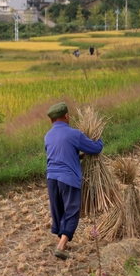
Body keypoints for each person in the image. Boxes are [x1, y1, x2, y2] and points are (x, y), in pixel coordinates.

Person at [44, 102, 103, 260]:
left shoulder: (48, 136)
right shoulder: (74, 134)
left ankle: (60, 239)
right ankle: (62, 247)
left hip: (51, 178)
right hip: (68, 178)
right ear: (66, 116)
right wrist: (99, 139)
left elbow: (58, 154)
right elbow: (95, 148)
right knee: (71, 211)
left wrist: (77, 156)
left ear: (51, 121)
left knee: (58, 209)